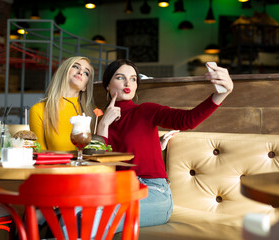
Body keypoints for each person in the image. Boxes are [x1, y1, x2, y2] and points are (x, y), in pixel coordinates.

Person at [96, 59, 234, 230]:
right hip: (120, 191)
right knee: (78, 210)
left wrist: (222, 93)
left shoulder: (145, 110)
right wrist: (103, 125)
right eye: (120, 77)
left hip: (154, 193)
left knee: (100, 216)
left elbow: (186, 121)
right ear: (107, 85)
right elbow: (99, 166)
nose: (127, 83)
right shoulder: (101, 122)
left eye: (133, 79)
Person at [29, 56, 95, 151]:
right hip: (55, 166)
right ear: (63, 72)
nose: (80, 72)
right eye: (76, 67)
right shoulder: (39, 110)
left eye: (86, 73)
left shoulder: (93, 114)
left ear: (85, 87)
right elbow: (40, 154)